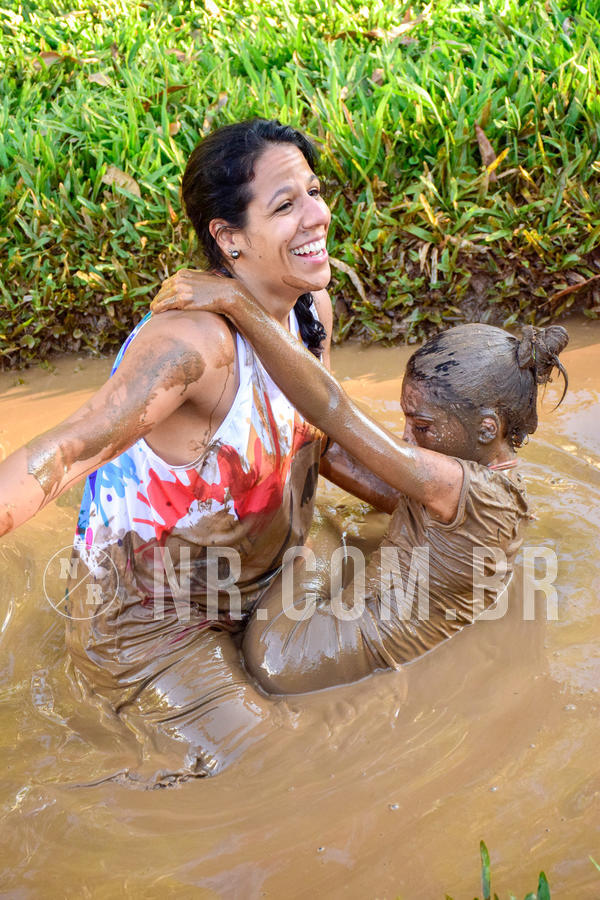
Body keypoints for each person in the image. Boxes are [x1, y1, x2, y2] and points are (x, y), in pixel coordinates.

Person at [0, 119, 398, 780]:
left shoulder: (310, 308)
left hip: (268, 577)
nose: (318, 216)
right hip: (151, 627)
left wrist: (437, 500)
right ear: (229, 237)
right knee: (284, 772)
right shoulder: (188, 347)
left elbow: (316, 445)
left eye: (315, 192)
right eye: (285, 205)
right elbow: (68, 452)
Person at [151, 277, 569, 694]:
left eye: (421, 426)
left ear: (486, 428)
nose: (406, 437)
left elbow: (332, 413)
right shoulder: (491, 479)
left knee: (313, 526)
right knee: (319, 514)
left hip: (286, 656)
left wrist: (240, 303)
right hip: (352, 629)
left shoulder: (464, 488)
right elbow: (334, 450)